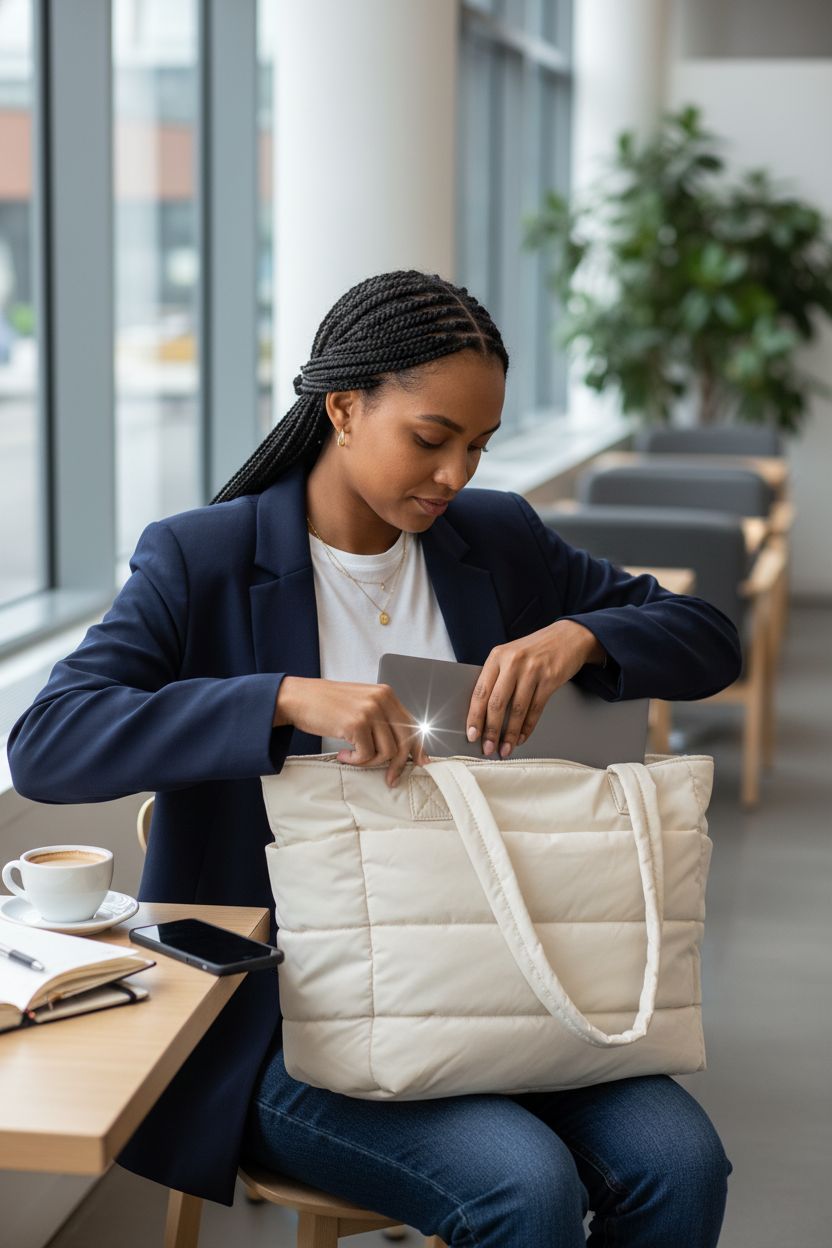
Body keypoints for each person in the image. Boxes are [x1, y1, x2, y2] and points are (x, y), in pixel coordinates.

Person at [7, 270, 739, 1246]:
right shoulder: (202, 559)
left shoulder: (498, 540)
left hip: (503, 973)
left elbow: (705, 636)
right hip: (285, 1015)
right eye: (431, 440)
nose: (454, 476)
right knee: (523, 1186)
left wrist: (581, 636)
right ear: (344, 408)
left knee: (682, 1164)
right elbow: (50, 743)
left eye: (474, 447)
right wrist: (280, 700)